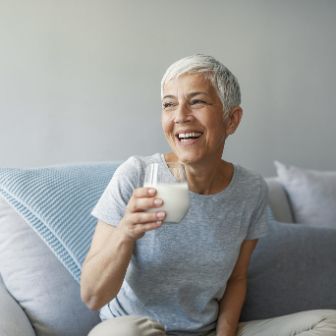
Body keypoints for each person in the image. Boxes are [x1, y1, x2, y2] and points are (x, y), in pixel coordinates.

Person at [80, 55, 336, 336]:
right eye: (169, 104)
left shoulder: (251, 189)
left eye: (197, 101)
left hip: (205, 331)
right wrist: (125, 233)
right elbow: (93, 296)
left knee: (328, 323)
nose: (180, 116)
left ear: (231, 119)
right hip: (135, 329)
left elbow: (237, 279)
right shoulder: (137, 174)